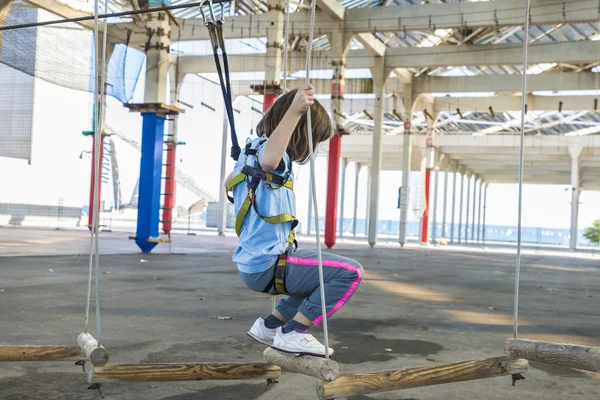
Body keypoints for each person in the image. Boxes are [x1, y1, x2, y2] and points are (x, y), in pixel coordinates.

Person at [226, 85, 364, 357]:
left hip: (251, 266)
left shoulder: (247, 153)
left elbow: (238, 177)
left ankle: (270, 326)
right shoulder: (273, 157)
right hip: (269, 264)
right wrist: (295, 111)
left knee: (317, 283)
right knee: (351, 272)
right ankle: (295, 332)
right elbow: (269, 161)